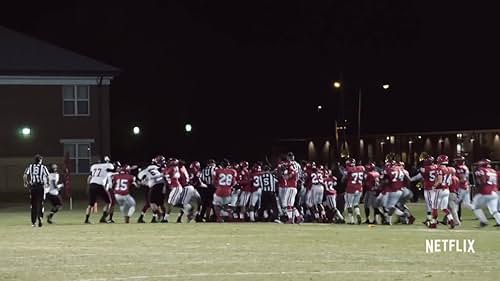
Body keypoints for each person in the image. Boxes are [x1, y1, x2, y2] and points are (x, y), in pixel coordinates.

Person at [85, 156, 115, 224]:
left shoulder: (94, 166)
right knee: (109, 202)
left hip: (92, 185)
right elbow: (112, 168)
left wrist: (88, 186)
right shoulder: (108, 165)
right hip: (100, 185)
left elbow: (89, 178)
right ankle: (103, 218)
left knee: (90, 204)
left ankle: (86, 219)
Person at [137, 156, 166, 223]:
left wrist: (140, 182)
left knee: (152, 203)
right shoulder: (157, 168)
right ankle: (161, 217)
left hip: (153, 186)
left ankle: (157, 216)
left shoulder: (146, 171)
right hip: (160, 185)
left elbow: (141, 180)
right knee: (157, 203)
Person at [23, 154, 50, 227]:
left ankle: (33, 222)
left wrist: (25, 182)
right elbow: (48, 176)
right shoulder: (43, 167)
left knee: (33, 205)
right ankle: (40, 217)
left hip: (33, 187)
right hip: (40, 186)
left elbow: (25, 175)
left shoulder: (30, 166)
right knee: (40, 203)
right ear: (40, 160)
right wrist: (47, 183)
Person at [472, 159, 500, 227]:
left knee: (475, 206)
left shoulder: (482, 170)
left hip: (486, 192)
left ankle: (483, 221)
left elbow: (482, 181)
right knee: (493, 210)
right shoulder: (493, 171)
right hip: (494, 192)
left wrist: (478, 189)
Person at [343, 158, 365, 224]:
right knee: (356, 204)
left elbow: (344, 178)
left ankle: (351, 220)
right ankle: (358, 214)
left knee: (349, 205)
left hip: (351, 188)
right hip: (359, 188)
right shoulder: (361, 168)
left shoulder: (348, 169)